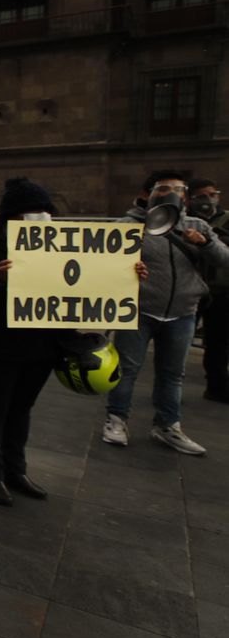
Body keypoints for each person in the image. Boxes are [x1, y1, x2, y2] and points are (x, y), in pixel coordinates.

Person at [0, 179, 144, 505]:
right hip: (1, 347)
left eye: (44, 213)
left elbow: (90, 282)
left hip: (43, 347)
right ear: (11, 219)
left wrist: (128, 274)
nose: (39, 221)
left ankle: (16, 470)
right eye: (29, 215)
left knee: (22, 410)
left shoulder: (63, 247)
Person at [104, 170, 229, 454]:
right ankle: (116, 420)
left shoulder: (198, 225)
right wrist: (128, 269)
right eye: (162, 189)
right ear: (147, 195)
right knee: (126, 370)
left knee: (173, 374)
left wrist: (205, 243)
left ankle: (167, 425)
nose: (170, 193)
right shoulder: (127, 225)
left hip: (182, 312)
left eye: (177, 188)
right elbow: (105, 265)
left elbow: (225, 260)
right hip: (137, 311)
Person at [188, 177, 229, 403]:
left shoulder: (226, 220)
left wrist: (212, 239)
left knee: (218, 343)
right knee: (181, 343)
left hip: (220, 291)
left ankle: (217, 386)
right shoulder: (182, 221)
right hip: (191, 290)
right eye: (201, 196)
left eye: (212, 194)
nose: (207, 200)